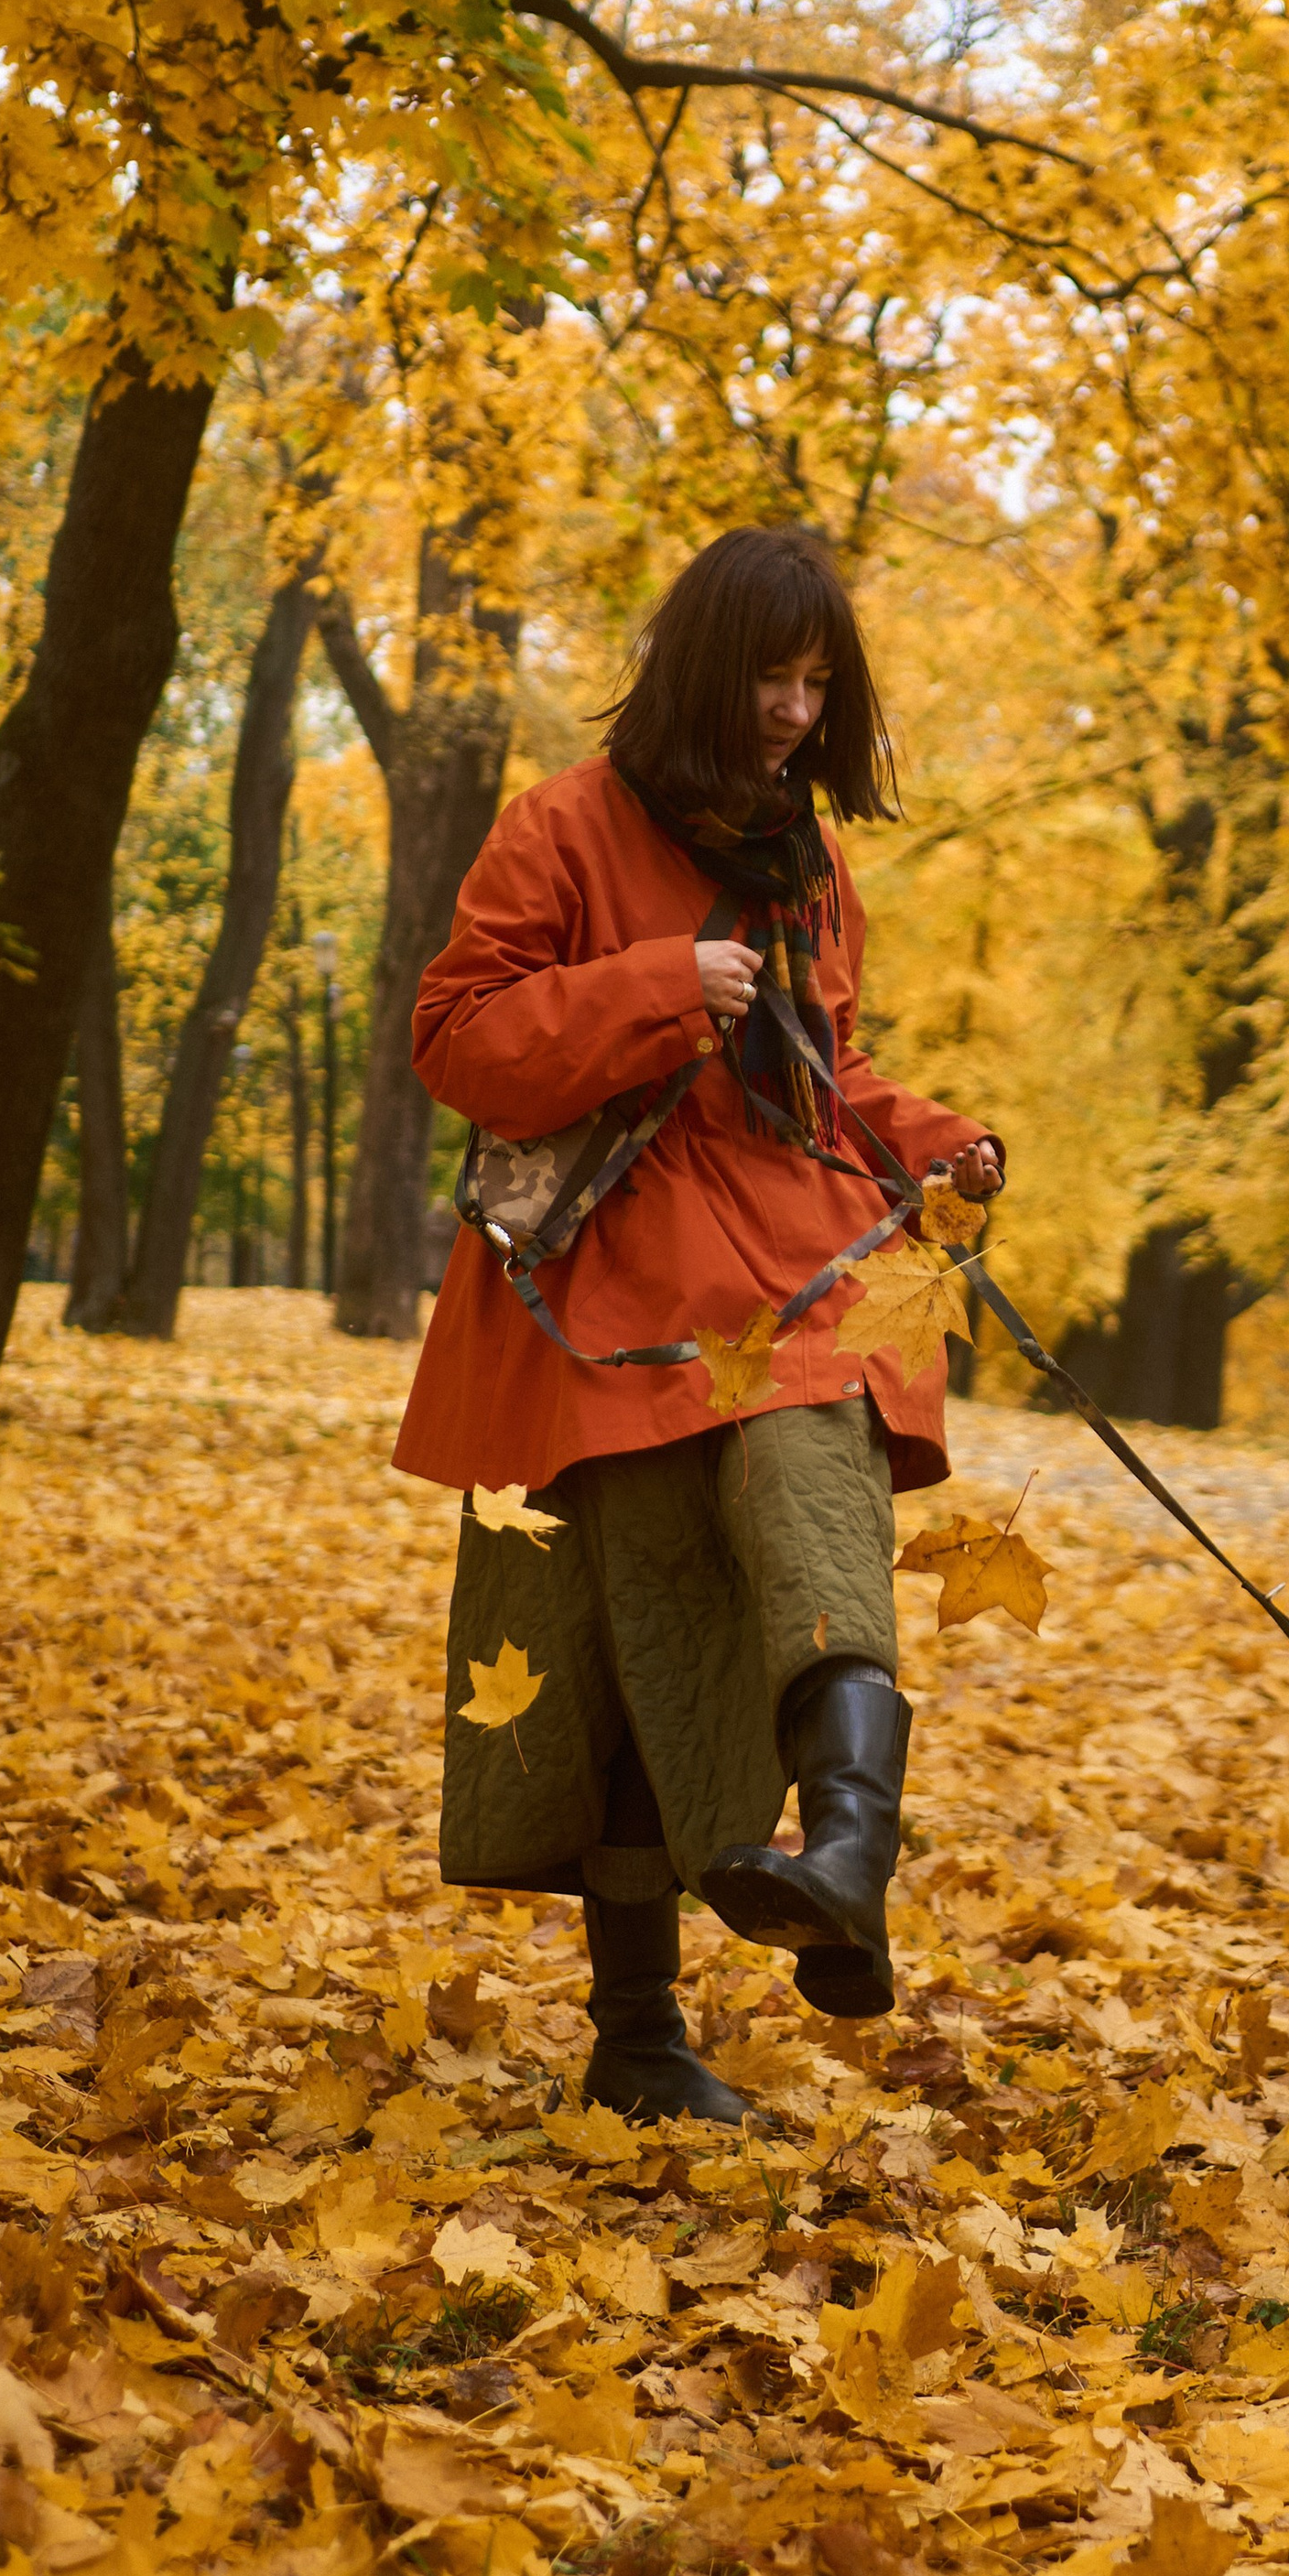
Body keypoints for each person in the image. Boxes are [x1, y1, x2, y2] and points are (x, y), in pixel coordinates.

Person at [392, 525, 1004, 2119]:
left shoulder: (811, 862)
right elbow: (456, 1039)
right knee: (636, 1620)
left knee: (818, 1505)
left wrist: (935, 1143)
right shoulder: (564, 827)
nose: (798, 710)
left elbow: (827, 1081)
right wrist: (658, 980)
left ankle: (851, 1854)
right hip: (616, 1298)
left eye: (820, 680)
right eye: (771, 676)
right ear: (699, 669)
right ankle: (639, 2037)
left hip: (790, 1277)